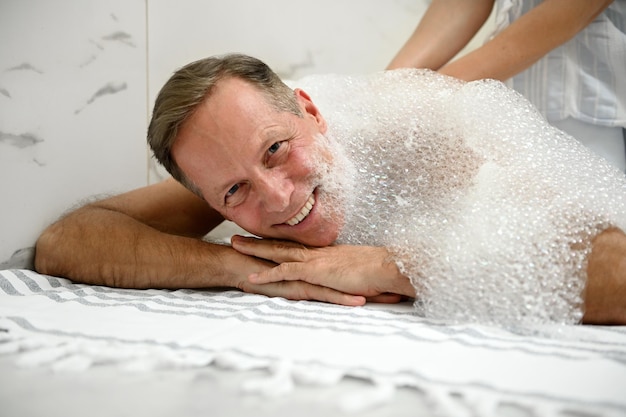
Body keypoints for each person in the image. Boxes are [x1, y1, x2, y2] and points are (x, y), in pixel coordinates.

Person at [34, 53, 626, 326]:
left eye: (276, 150)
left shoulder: (425, 129)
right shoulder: (229, 161)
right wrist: (254, 272)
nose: (280, 199)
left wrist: (395, 266)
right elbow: (69, 241)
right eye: (233, 193)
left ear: (312, 112)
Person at [387, 0, 626, 172]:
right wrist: (387, 87)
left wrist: (433, 92)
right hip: (514, 105)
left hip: (599, 104)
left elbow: (572, 9)